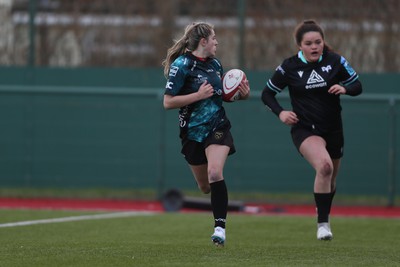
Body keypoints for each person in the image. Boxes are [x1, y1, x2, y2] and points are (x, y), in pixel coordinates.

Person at [261, 20, 362, 240]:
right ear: (300, 46)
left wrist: (345, 88)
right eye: (309, 43)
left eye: (318, 42)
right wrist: (280, 112)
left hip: (333, 129)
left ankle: (322, 207)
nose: (314, 46)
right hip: (305, 129)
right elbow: (266, 94)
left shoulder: (335, 61)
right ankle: (323, 224)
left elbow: (357, 85)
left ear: (323, 42)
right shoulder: (289, 67)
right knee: (324, 168)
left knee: (331, 178)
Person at [162, 22, 250, 246]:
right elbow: (168, 102)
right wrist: (197, 95)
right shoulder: (182, 65)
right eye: (214, 38)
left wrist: (242, 95)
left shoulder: (216, 65)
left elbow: (221, 96)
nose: (217, 42)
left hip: (217, 126)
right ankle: (217, 198)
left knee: (214, 172)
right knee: (205, 186)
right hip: (191, 132)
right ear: (203, 42)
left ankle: (219, 228)